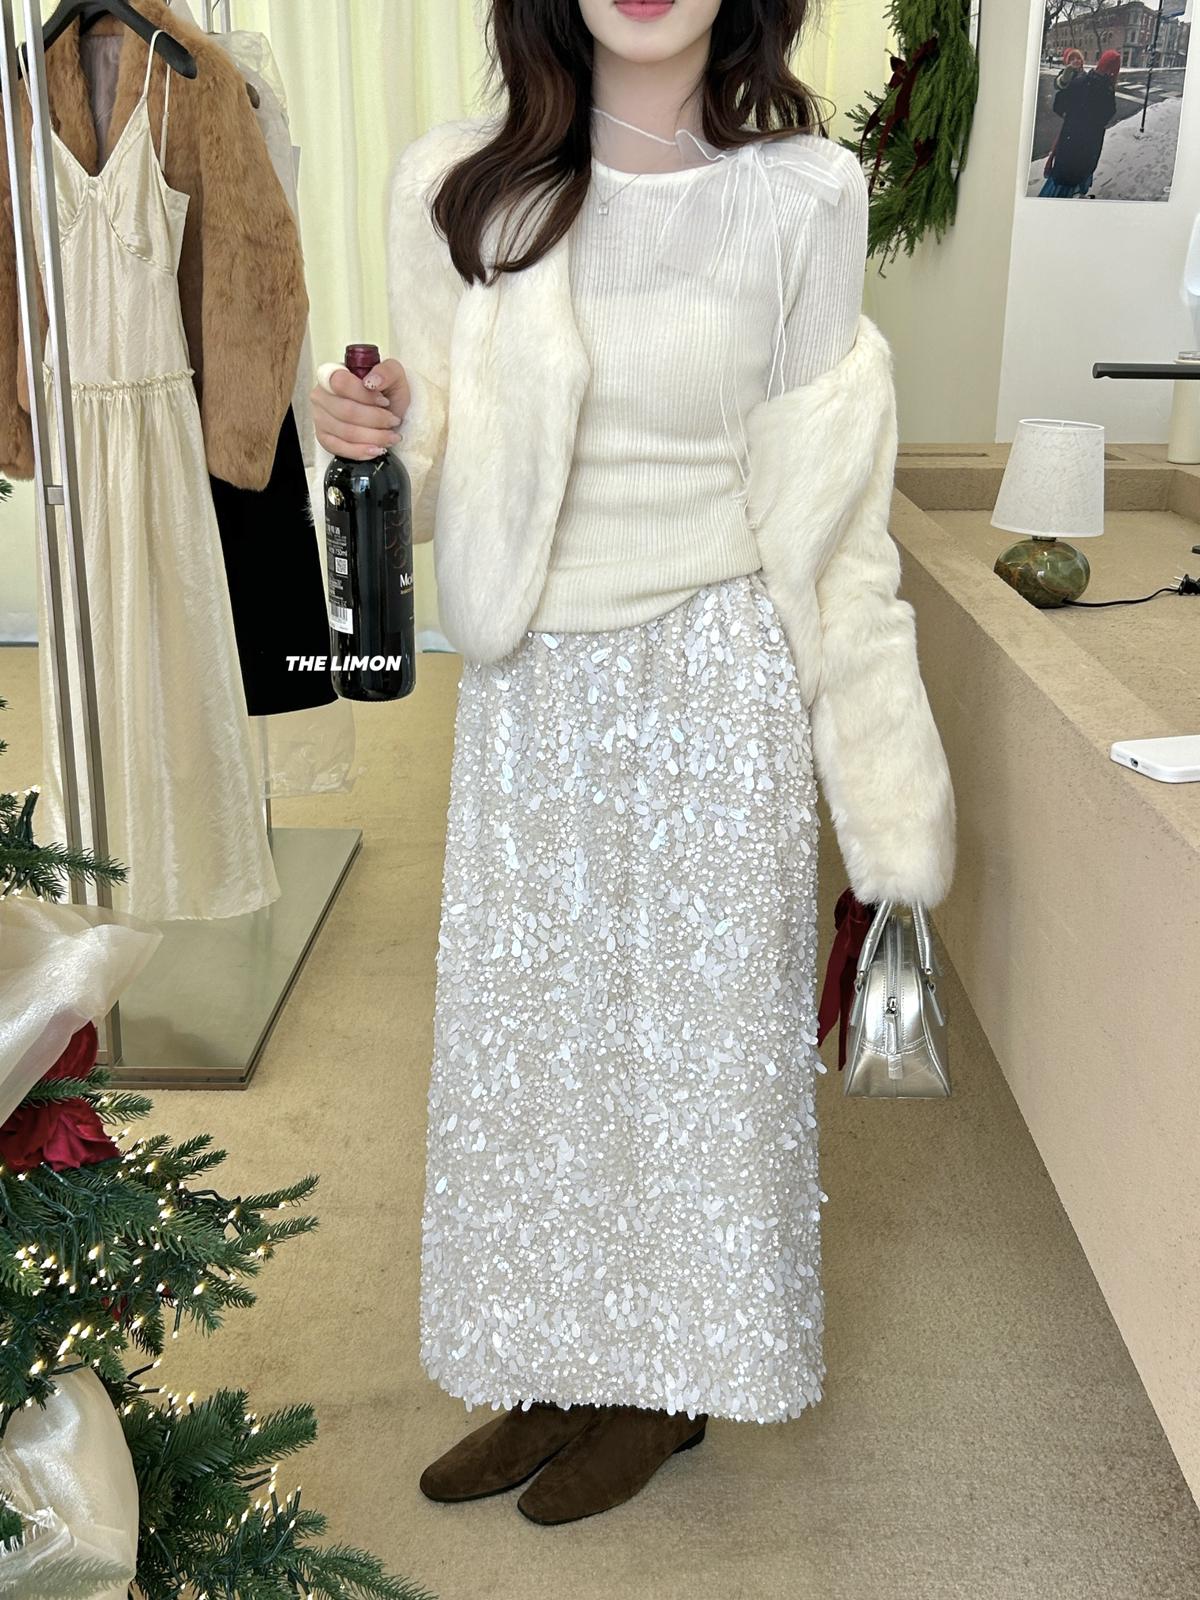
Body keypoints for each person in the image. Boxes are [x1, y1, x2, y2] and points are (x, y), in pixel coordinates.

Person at [313, 0, 954, 1526]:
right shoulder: (459, 186)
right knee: (530, 1051)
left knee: (696, 1060)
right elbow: (433, 462)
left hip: (720, 682)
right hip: (533, 686)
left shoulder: (805, 195)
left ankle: (668, 1387)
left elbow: (834, 524)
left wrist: (888, 807)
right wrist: (362, 434)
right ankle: (550, 1361)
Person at [1039, 47, 1121, 198]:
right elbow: (1106, 116)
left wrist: (1071, 116)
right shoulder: (1108, 91)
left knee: (1061, 183)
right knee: (1078, 176)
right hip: (1089, 147)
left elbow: (1058, 105)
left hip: (1070, 142)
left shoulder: (1081, 81)